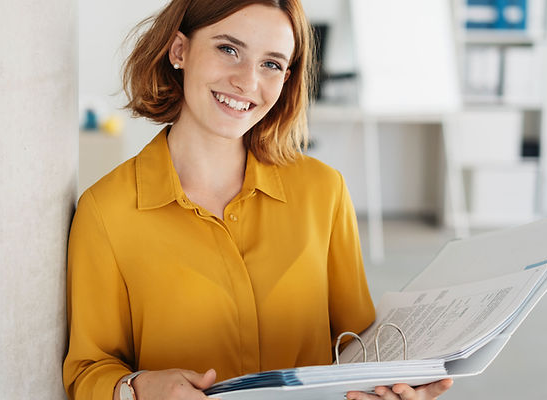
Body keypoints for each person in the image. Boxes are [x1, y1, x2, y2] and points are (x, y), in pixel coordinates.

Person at [62, 1, 453, 399]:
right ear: (179, 50)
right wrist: (138, 387)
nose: (247, 82)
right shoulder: (107, 212)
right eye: (228, 49)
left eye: (271, 64)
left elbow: (358, 345)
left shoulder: (323, 191)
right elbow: (88, 370)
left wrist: (391, 386)